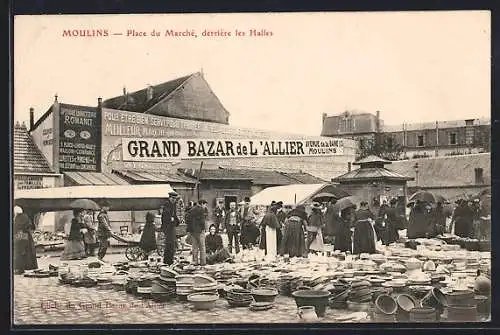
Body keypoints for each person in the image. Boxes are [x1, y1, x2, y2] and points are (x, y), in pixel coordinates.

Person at [13, 206, 38, 274]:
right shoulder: (25, 216)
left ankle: (20, 269)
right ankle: (23, 268)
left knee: (19, 252)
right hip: (26, 236)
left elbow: (17, 227)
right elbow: (29, 225)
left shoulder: (18, 218)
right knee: (25, 253)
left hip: (20, 236)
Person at [161, 192, 180, 265]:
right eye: (173, 198)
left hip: (171, 227)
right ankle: (168, 261)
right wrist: (171, 219)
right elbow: (166, 216)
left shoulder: (173, 205)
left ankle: (169, 260)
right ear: (170, 198)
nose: (174, 200)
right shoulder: (167, 205)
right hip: (168, 227)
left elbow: (174, 216)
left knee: (171, 245)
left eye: (175, 199)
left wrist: (176, 221)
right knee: (170, 244)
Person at [188, 199, 207, 266]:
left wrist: (190, 230)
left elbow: (188, 220)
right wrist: (204, 228)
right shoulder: (201, 210)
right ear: (202, 204)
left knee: (194, 247)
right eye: (205, 204)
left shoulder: (191, 210)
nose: (205, 206)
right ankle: (203, 262)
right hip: (200, 231)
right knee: (202, 247)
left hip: (193, 231)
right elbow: (202, 221)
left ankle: (195, 261)